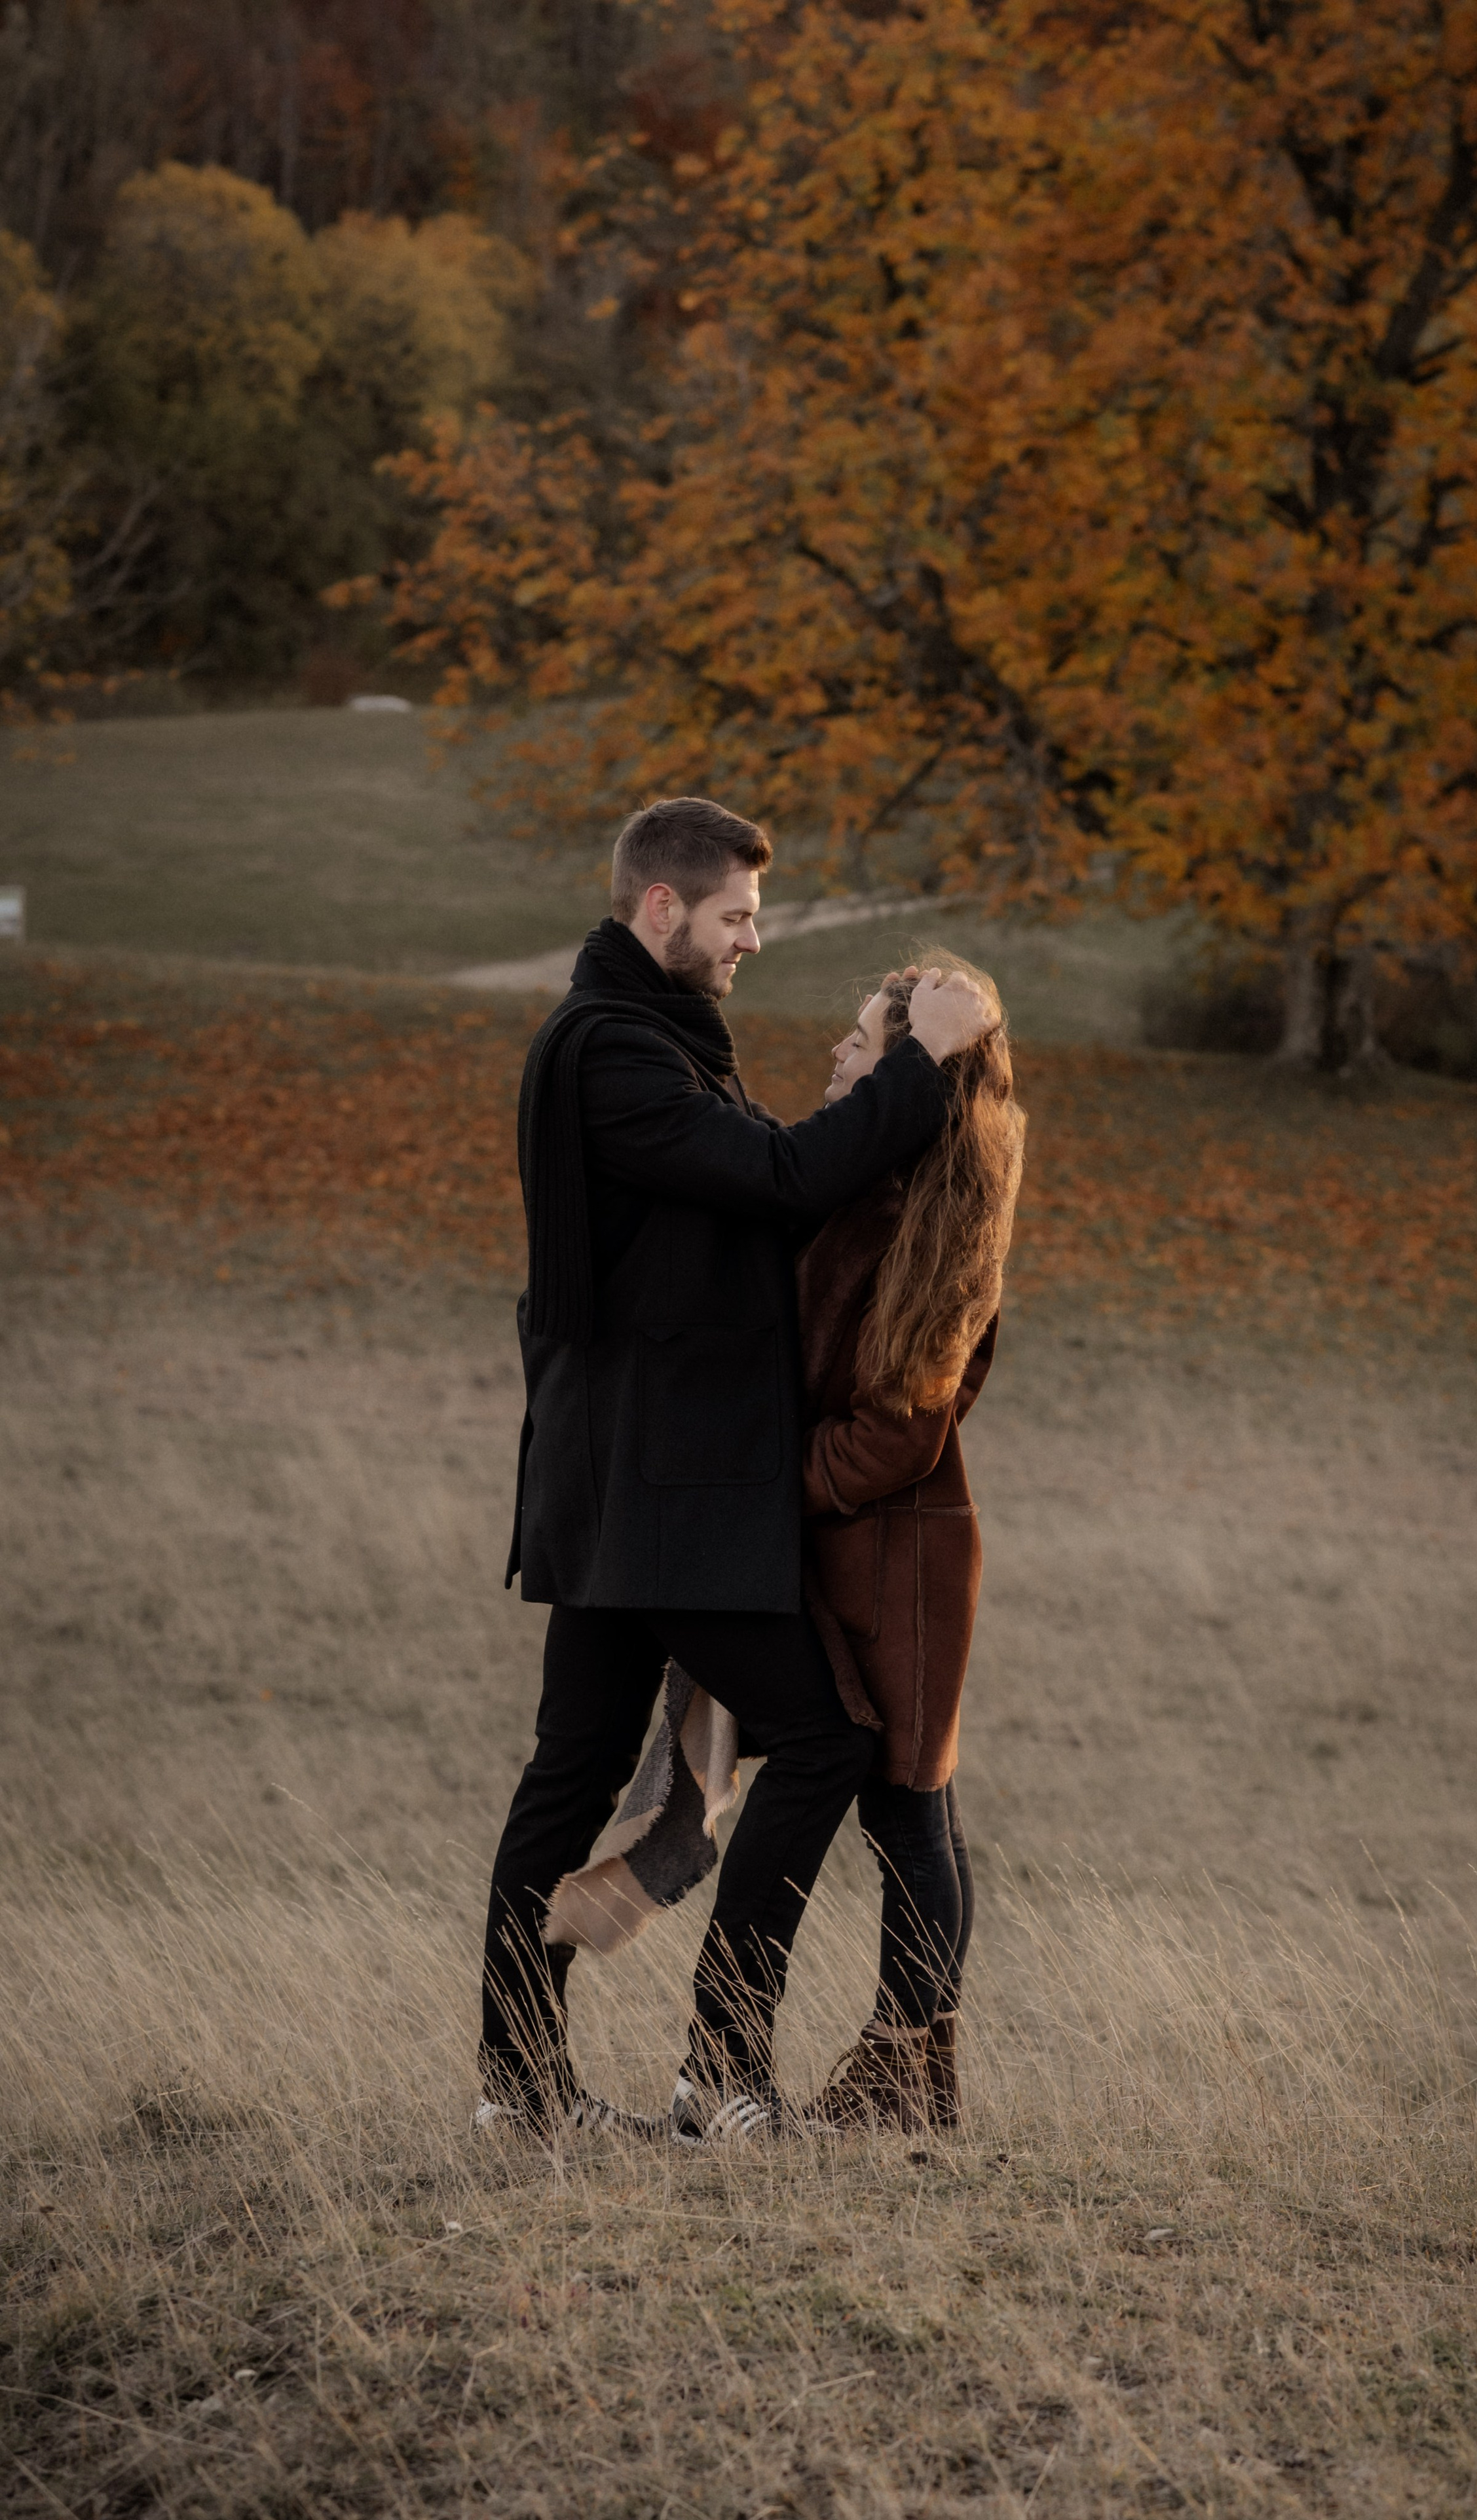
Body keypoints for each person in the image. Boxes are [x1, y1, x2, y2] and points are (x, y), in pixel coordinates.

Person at [479, 796, 995, 2145]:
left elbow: (773, 1195)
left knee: (571, 1769)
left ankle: (523, 2091)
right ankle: (713, 2065)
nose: (749, 942)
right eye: (734, 917)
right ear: (660, 908)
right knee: (820, 1737)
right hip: (661, 1499)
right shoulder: (612, 1055)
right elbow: (777, 1177)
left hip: (626, 1493)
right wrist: (922, 1069)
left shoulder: (651, 1045)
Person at [798, 957, 1024, 2134]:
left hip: (901, 1564)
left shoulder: (932, 1228)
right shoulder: (867, 1188)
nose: (837, 1055)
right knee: (914, 1815)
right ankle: (912, 2084)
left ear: (919, 1075)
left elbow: (896, 1434)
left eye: (862, 1043)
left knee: (909, 1811)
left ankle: (903, 2076)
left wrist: (776, 1489)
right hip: (856, 1554)